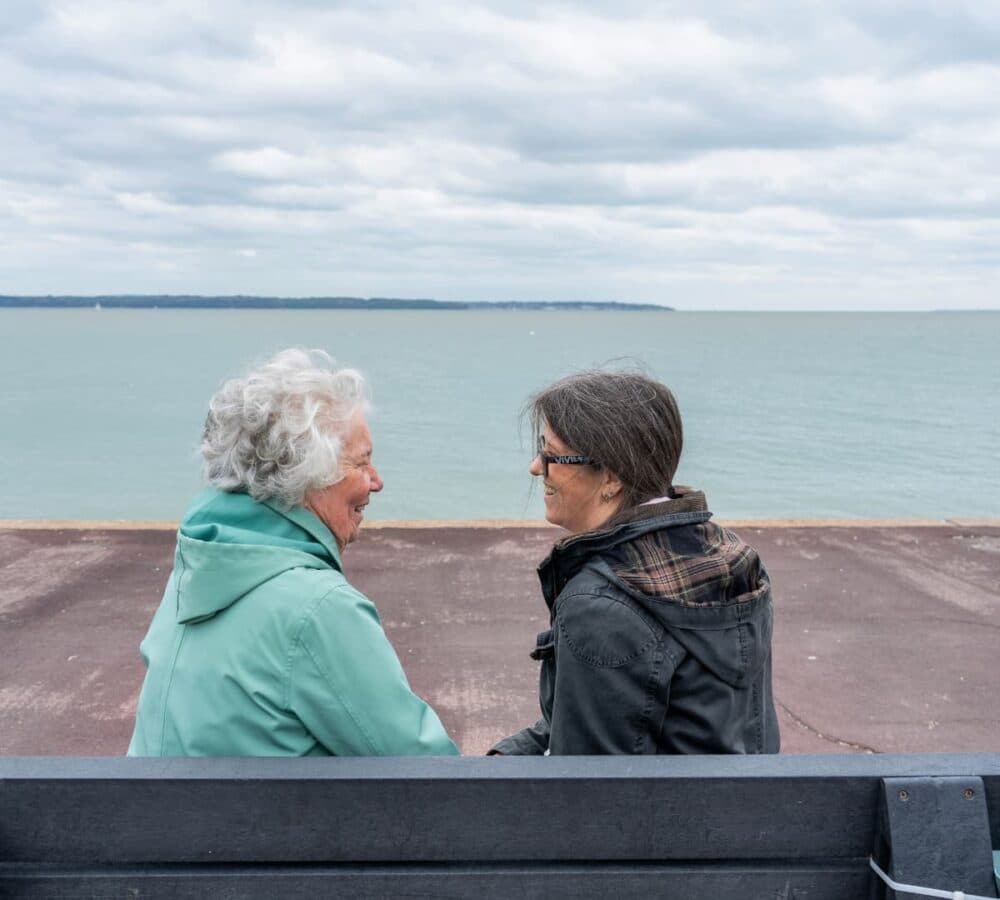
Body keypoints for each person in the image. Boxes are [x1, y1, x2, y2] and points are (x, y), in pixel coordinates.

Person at [128, 348, 458, 757]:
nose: (376, 481)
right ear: (308, 476)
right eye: (363, 463)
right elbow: (427, 771)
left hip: (159, 817)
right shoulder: (317, 608)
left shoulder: (199, 565)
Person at [491, 370, 779, 756]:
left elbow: (589, 786)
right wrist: (507, 757)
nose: (535, 467)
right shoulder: (731, 556)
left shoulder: (600, 609)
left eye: (551, 455)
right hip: (742, 804)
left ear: (611, 477)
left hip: (660, 813)